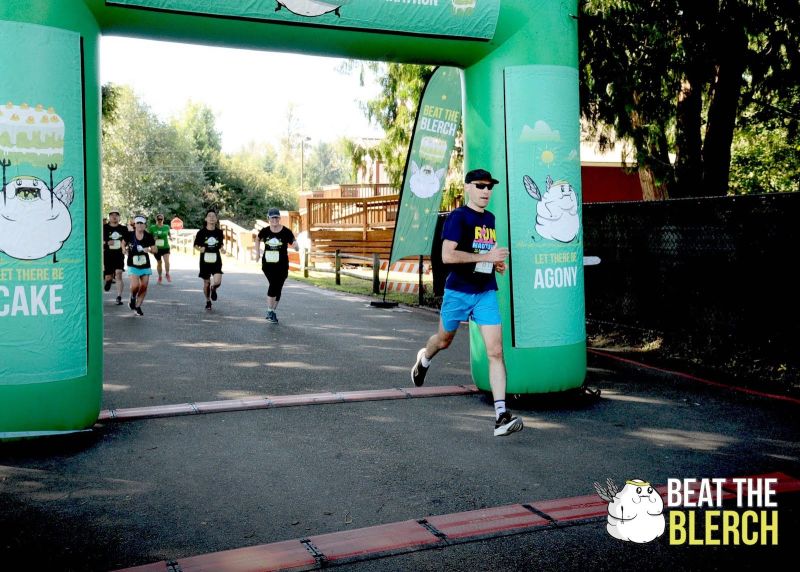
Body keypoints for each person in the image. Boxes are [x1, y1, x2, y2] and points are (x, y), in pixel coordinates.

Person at [410, 169, 523, 437]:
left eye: (490, 187)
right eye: (480, 186)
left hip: (485, 292)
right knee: (443, 340)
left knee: (495, 352)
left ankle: (500, 416)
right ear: (468, 188)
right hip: (458, 292)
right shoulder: (458, 217)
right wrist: (485, 257)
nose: (486, 191)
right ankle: (424, 359)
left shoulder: (491, 219)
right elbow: (447, 256)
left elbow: (482, 252)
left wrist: (496, 264)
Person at [256, 208, 297, 323]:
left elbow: (293, 242)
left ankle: (272, 312)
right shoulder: (265, 231)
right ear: (268, 218)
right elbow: (257, 239)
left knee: (278, 287)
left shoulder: (286, 231)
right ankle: (269, 311)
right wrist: (257, 254)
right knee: (274, 284)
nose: (274, 219)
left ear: (279, 218)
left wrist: (296, 246)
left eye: (276, 217)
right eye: (272, 217)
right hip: (268, 264)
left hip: (282, 264)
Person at [126, 214, 157, 316]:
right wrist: (124, 249)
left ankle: (138, 306)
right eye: (138, 223)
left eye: (142, 223)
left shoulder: (148, 236)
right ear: (134, 224)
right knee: (135, 286)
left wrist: (149, 249)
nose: (139, 225)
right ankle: (133, 297)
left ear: (145, 225)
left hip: (145, 264)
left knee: (144, 285)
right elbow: (123, 242)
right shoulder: (129, 235)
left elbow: (155, 249)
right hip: (132, 264)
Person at [194, 209, 224, 310]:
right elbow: (195, 245)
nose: (211, 217)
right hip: (205, 261)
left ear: (216, 219)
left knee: (218, 282)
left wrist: (222, 249)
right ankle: (208, 300)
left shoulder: (219, 232)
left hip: (216, 259)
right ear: (206, 218)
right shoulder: (201, 232)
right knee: (206, 283)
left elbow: (220, 244)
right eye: (209, 216)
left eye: (213, 216)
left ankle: (213, 288)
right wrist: (200, 249)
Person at [103, 208, 129, 305]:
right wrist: (106, 242)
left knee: (119, 273)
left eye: (116, 215)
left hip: (119, 254)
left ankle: (119, 297)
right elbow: (98, 241)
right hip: (108, 255)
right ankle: (108, 281)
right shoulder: (104, 228)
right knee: (108, 277)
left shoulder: (123, 228)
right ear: (109, 217)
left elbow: (127, 241)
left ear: (119, 217)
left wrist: (125, 248)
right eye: (112, 215)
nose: (114, 217)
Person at [148, 213, 172, 283]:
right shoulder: (152, 227)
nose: (160, 220)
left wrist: (170, 237)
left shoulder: (166, 227)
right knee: (159, 262)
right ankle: (160, 276)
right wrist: (153, 238)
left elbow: (169, 233)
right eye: (158, 219)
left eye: (161, 219)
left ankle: (167, 274)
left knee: (167, 261)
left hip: (165, 247)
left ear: (163, 219)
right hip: (156, 248)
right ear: (156, 219)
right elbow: (149, 238)